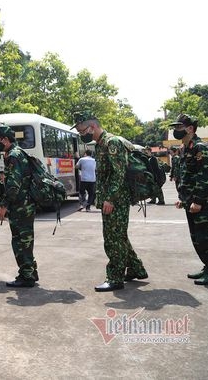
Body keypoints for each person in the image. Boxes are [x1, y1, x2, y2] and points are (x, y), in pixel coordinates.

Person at [72, 111, 148, 292]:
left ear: (93, 127)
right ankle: (136, 268)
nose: (82, 135)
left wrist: (110, 199)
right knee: (119, 236)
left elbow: (118, 174)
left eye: (83, 131)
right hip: (110, 198)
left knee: (112, 239)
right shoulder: (100, 144)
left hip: (116, 199)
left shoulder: (112, 142)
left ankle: (115, 278)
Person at [170, 114, 208, 285]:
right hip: (192, 202)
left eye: (179, 127)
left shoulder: (200, 147)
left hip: (205, 202)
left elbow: (204, 177)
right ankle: (207, 266)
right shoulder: (185, 148)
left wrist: (198, 200)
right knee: (197, 237)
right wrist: (183, 199)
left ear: (190, 129)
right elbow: (186, 177)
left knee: (207, 236)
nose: (175, 131)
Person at [0, 123, 38, 287]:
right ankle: (31, 271)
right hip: (25, 205)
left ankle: (26, 277)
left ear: (5, 140)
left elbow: (13, 185)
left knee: (21, 241)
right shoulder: (17, 152)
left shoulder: (13, 155)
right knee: (25, 240)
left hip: (21, 206)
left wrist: (3, 206)